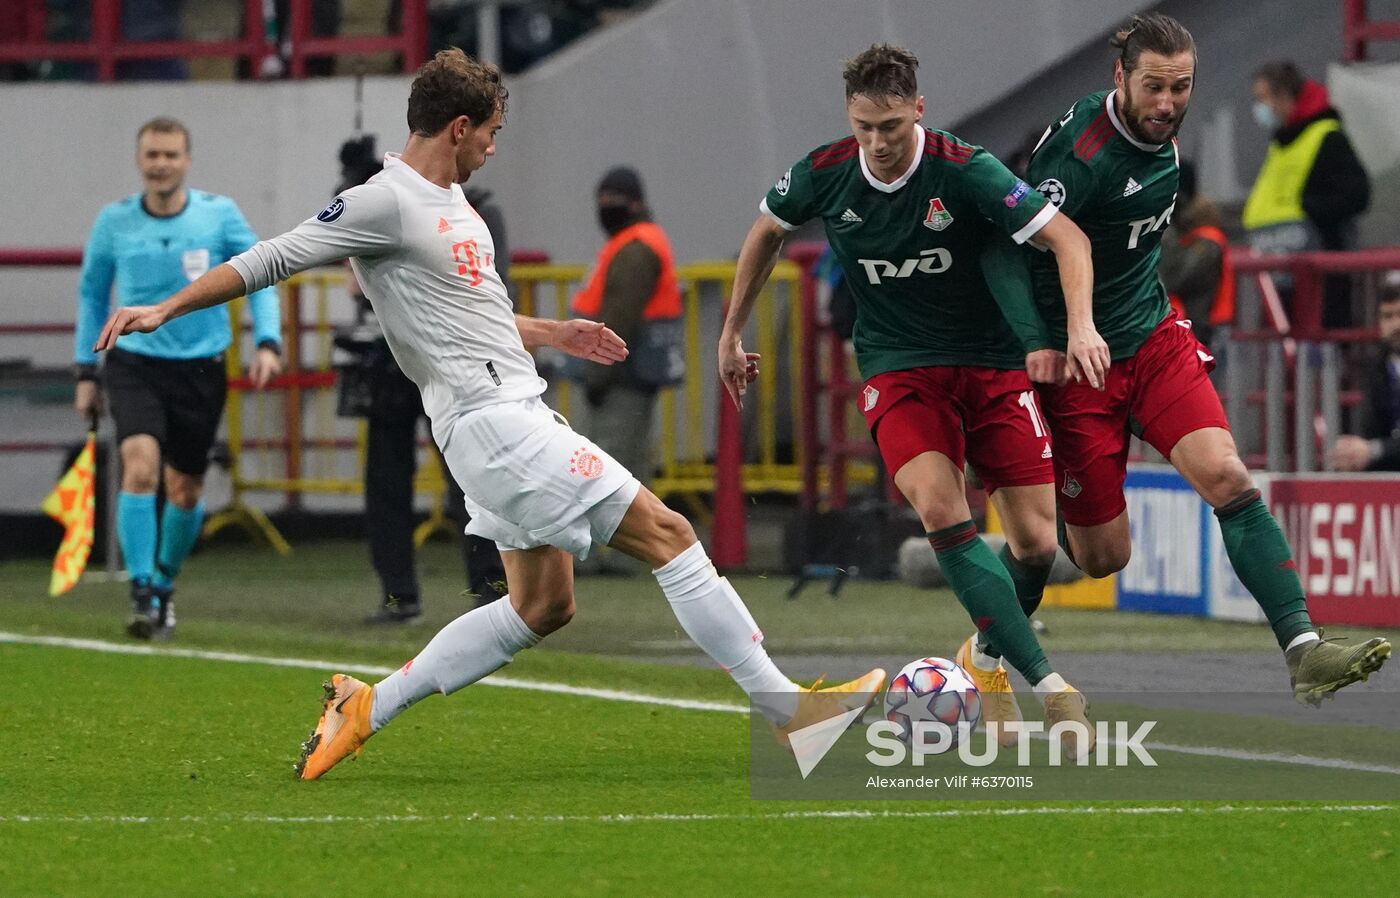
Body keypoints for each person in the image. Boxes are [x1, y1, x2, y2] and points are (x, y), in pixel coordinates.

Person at [94, 49, 884, 781]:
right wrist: (166, 307)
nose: (495, 149)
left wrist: (551, 331)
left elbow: (468, 314)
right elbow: (271, 256)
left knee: (545, 604)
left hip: (503, 417)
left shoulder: (453, 203)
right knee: (670, 534)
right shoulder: (384, 201)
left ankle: (367, 706)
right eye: (493, 134)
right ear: (460, 127)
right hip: (496, 424)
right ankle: (792, 717)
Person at [719, 43, 1110, 756]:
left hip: (989, 364)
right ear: (850, 117)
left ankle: (984, 664)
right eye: (866, 127)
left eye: (892, 126)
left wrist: (1078, 325)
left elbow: (1068, 240)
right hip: (899, 367)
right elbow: (766, 231)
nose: (879, 143)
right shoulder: (825, 173)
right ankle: (1053, 687)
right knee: (939, 508)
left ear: (919, 112)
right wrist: (731, 330)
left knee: (1038, 546)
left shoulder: (965, 171)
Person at [1018, 13, 1390, 701]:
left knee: (1228, 476)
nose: (1167, 103)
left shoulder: (1162, 129)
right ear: (1119, 78)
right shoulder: (1075, 152)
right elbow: (1026, 249)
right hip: (1081, 364)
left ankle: (1304, 649)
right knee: (1102, 557)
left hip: (1152, 339)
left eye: (1181, 88)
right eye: (1154, 87)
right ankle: (1008, 555)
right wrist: (1058, 335)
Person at [75, 117, 283, 640]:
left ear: (187, 160)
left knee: (186, 489)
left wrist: (268, 340)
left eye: (170, 155)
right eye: (152, 155)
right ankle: (141, 588)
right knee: (139, 465)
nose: (161, 163)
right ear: (139, 160)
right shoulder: (114, 222)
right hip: (134, 363)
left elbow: (263, 273)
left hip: (200, 366)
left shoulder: (218, 216)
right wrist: (85, 370)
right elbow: (91, 295)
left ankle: (165, 583)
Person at [333, 135, 508, 622]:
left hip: (443, 362)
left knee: (467, 480)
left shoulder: (460, 208)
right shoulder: (396, 202)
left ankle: (481, 588)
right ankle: (438, 591)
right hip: (406, 361)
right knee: (427, 480)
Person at [569, 166, 683, 573]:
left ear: (634, 203)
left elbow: (619, 317)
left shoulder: (634, 248)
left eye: (613, 200)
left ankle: (616, 555)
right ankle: (627, 553)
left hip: (621, 375)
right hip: (632, 373)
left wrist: (596, 377)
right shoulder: (637, 241)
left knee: (605, 466)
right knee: (625, 464)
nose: (606, 208)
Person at [1245, 60, 1370, 328]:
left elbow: (1358, 195)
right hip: (1282, 274)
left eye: (1262, 99)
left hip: (1321, 281)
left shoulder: (1327, 138)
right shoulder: (1283, 141)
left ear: (1284, 95)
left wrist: (1310, 209)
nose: (1259, 109)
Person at [1159, 159, 1233, 349]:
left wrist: (1164, 228)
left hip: (1199, 337)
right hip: (1185, 335)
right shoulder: (1185, 233)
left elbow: (1171, 279)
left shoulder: (1206, 240)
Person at [1332, 281, 1400, 472]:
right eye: (1388, 317)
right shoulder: (1376, 367)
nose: (1396, 324)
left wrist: (1374, 450)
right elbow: (1369, 432)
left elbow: (1372, 447)